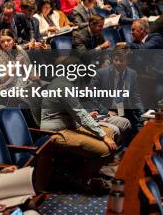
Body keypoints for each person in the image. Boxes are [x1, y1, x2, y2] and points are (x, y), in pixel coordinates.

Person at [38, 57, 117, 194]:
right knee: (105, 149)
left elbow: (77, 112)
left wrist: (103, 134)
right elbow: (80, 115)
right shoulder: (63, 86)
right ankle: (76, 178)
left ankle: (87, 172)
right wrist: (102, 135)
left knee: (110, 133)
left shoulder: (65, 82)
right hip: (56, 133)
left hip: (69, 127)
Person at [89, 49, 144, 134]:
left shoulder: (132, 74)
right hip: (107, 110)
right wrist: (106, 111)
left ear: (128, 61)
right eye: (116, 60)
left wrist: (143, 116)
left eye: (121, 61)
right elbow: (92, 95)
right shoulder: (102, 73)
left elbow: (136, 97)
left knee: (141, 131)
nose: (118, 63)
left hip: (126, 110)